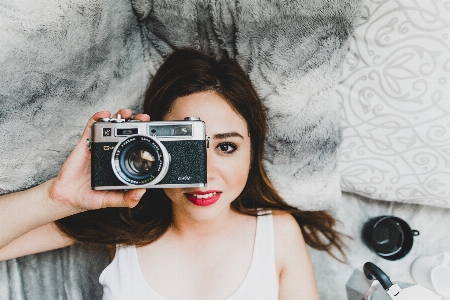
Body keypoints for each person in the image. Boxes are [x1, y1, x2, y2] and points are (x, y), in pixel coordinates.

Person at [0, 49, 346, 299]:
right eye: (186, 151)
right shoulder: (124, 225)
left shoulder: (277, 233)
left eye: (226, 147)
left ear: (252, 152)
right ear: (149, 145)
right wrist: (56, 199)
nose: (203, 175)